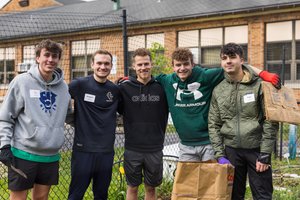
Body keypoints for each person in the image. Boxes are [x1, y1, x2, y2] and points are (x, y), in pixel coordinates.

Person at [155, 47, 280, 162]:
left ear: (192, 64)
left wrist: (263, 74)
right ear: (172, 66)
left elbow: (239, 67)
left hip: (208, 143)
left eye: (186, 64)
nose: (182, 68)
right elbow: (146, 78)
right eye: (178, 65)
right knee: (189, 184)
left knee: (211, 183)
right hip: (185, 145)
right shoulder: (167, 81)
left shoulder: (206, 76)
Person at [0, 39, 71, 200]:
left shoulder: (63, 87)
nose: (51, 60)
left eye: (55, 56)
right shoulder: (21, 82)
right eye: (46, 55)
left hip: (50, 155)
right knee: (18, 198)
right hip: (23, 153)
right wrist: (3, 145)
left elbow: (68, 114)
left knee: (41, 198)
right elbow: (5, 117)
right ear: (38, 58)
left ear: (59, 59)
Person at [208, 43, 279, 200]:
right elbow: (213, 124)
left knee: (263, 195)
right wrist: (220, 154)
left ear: (242, 60)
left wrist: (265, 153)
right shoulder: (219, 90)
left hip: (257, 149)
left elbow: (271, 120)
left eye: (233, 57)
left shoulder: (259, 86)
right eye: (224, 58)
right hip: (231, 151)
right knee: (232, 195)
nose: (228, 61)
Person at [68, 49, 121, 200]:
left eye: (106, 64)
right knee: (75, 195)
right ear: (92, 64)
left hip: (106, 152)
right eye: (99, 63)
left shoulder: (115, 90)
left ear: (111, 66)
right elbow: (59, 98)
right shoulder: (79, 85)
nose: (102, 67)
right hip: (83, 151)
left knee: (101, 194)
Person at [118, 48, 168, 200]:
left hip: (155, 147)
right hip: (133, 148)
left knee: (151, 189)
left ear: (151, 64)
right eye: (139, 65)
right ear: (134, 67)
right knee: (132, 188)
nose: (143, 67)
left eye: (146, 63)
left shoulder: (162, 87)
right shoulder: (124, 88)